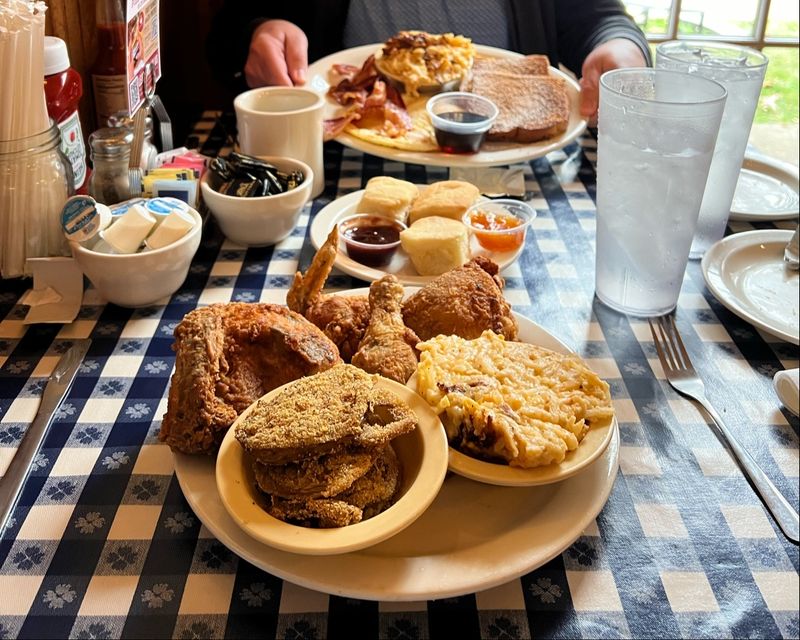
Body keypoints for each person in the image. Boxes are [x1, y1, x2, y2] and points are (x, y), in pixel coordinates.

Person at [208, 0, 650, 119]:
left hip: (510, 173)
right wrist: (259, 33)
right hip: (340, 167)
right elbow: (229, 30)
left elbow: (600, 18)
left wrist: (620, 46)